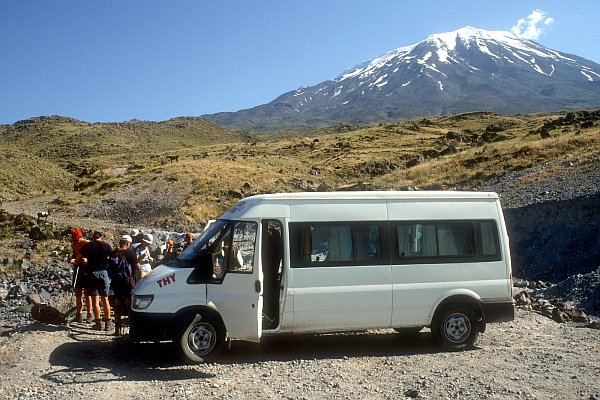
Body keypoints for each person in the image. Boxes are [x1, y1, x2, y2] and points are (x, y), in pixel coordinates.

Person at [80, 231, 113, 331]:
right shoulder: (106, 246)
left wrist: (83, 261)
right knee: (105, 298)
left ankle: (98, 323)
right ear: (101, 237)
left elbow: (78, 257)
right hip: (103, 273)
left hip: (92, 273)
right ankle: (108, 322)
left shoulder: (87, 246)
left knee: (95, 299)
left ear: (93, 237)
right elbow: (112, 259)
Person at [109, 235, 136, 336]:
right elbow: (136, 266)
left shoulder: (113, 252)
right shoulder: (130, 252)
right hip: (127, 282)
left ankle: (117, 330)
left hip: (116, 282)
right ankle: (131, 329)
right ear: (128, 244)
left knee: (117, 305)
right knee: (129, 305)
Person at [68, 229, 93, 323]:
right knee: (78, 292)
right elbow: (74, 255)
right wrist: (72, 259)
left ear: (80, 237)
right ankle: (79, 314)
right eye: (74, 239)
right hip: (78, 268)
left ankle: (90, 314)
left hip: (86, 269)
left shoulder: (87, 243)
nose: (75, 241)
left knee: (87, 293)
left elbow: (92, 256)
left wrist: (86, 260)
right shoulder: (74, 244)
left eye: (77, 239)